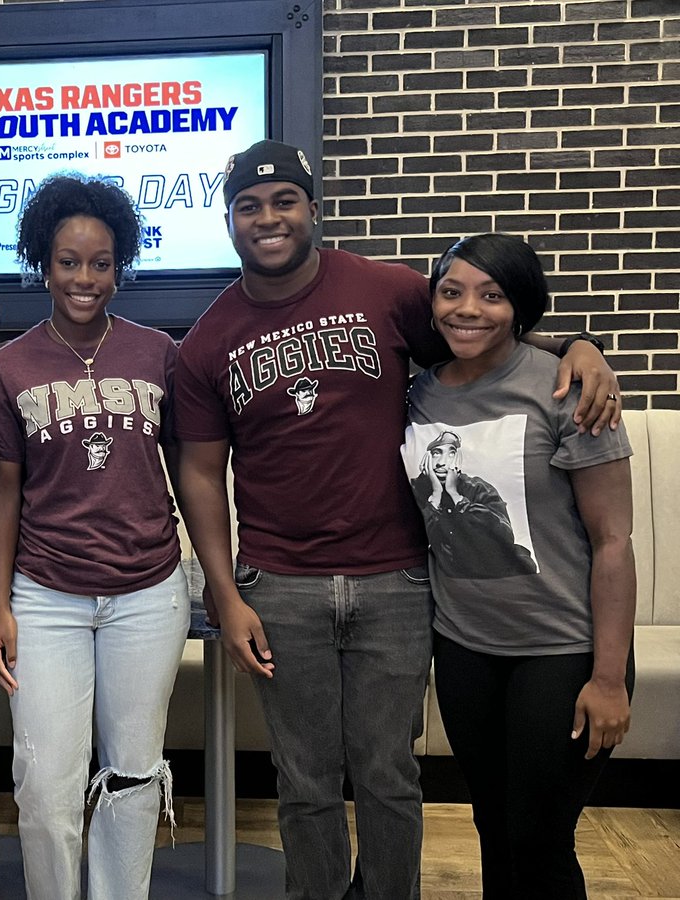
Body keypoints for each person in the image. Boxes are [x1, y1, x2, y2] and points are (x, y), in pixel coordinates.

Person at [172, 139, 622, 900]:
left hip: (399, 580)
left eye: (284, 201)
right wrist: (225, 591)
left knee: (388, 772)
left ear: (313, 209)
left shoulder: (389, 290)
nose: (268, 218)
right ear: (229, 221)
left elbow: (481, 333)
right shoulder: (209, 339)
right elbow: (199, 473)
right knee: (305, 778)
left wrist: (580, 346)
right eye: (249, 206)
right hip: (280, 584)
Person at [402, 233, 635, 898]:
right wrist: (576, 339)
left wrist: (610, 679)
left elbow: (613, 540)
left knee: (539, 838)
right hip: (466, 648)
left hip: (561, 651)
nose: (468, 309)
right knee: (494, 827)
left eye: (492, 294)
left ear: (521, 306)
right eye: (451, 292)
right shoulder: (420, 395)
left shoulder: (569, 390)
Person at [0, 174, 190, 900]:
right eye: (69, 261)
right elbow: (4, 489)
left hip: (147, 593)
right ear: (43, 261)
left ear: (120, 265)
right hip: (45, 596)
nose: (84, 277)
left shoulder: (158, 352)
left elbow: (191, 468)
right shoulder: (6, 366)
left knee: (133, 776)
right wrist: (2, 604)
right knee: (44, 786)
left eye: (101, 263)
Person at [409, 429, 537, 578]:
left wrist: (456, 497)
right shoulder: (416, 489)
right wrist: (435, 497)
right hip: (454, 576)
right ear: (427, 458)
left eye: (451, 453)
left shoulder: (477, 487)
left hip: (500, 570)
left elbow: (505, 535)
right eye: (436, 453)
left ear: (458, 458)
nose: (442, 463)